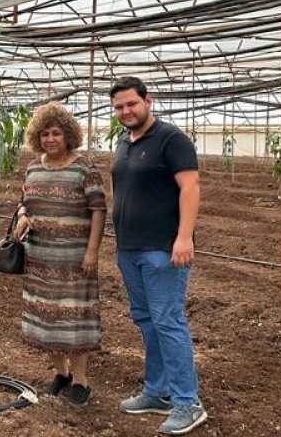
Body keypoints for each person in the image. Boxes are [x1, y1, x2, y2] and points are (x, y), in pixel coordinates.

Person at [108, 76, 206, 435]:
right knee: (147, 320)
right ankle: (158, 390)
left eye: (131, 104)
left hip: (162, 249)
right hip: (130, 248)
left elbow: (190, 188)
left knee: (168, 320)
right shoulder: (124, 141)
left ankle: (187, 402)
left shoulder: (171, 139)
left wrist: (183, 237)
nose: (125, 111)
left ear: (149, 100)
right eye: (119, 106)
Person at [12, 102, 107, 408]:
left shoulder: (84, 168)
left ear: (68, 136)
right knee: (47, 316)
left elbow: (98, 210)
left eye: (56, 133)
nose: (50, 139)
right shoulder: (34, 167)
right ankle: (61, 373)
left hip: (74, 259)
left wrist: (92, 251)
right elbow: (24, 201)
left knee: (74, 316)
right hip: (40, 258)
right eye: (44, 134)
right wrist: (24, 215)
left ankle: (81, 381)